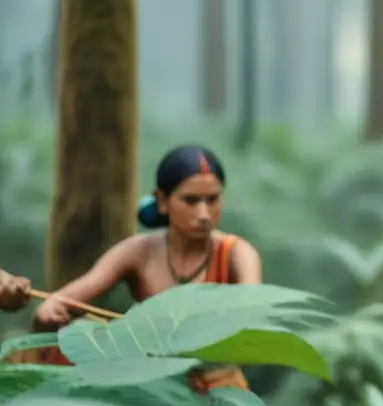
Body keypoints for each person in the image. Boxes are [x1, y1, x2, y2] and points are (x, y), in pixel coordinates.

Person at [31, 145, 262, 390]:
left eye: (212, 200)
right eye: (191, 201)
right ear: (163, 201)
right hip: (151, 387)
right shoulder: (138, 251)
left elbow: (255, 315)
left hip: (217, 388)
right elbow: (61, 301)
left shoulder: (237, 254)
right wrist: (49, 312)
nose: (204, 214)